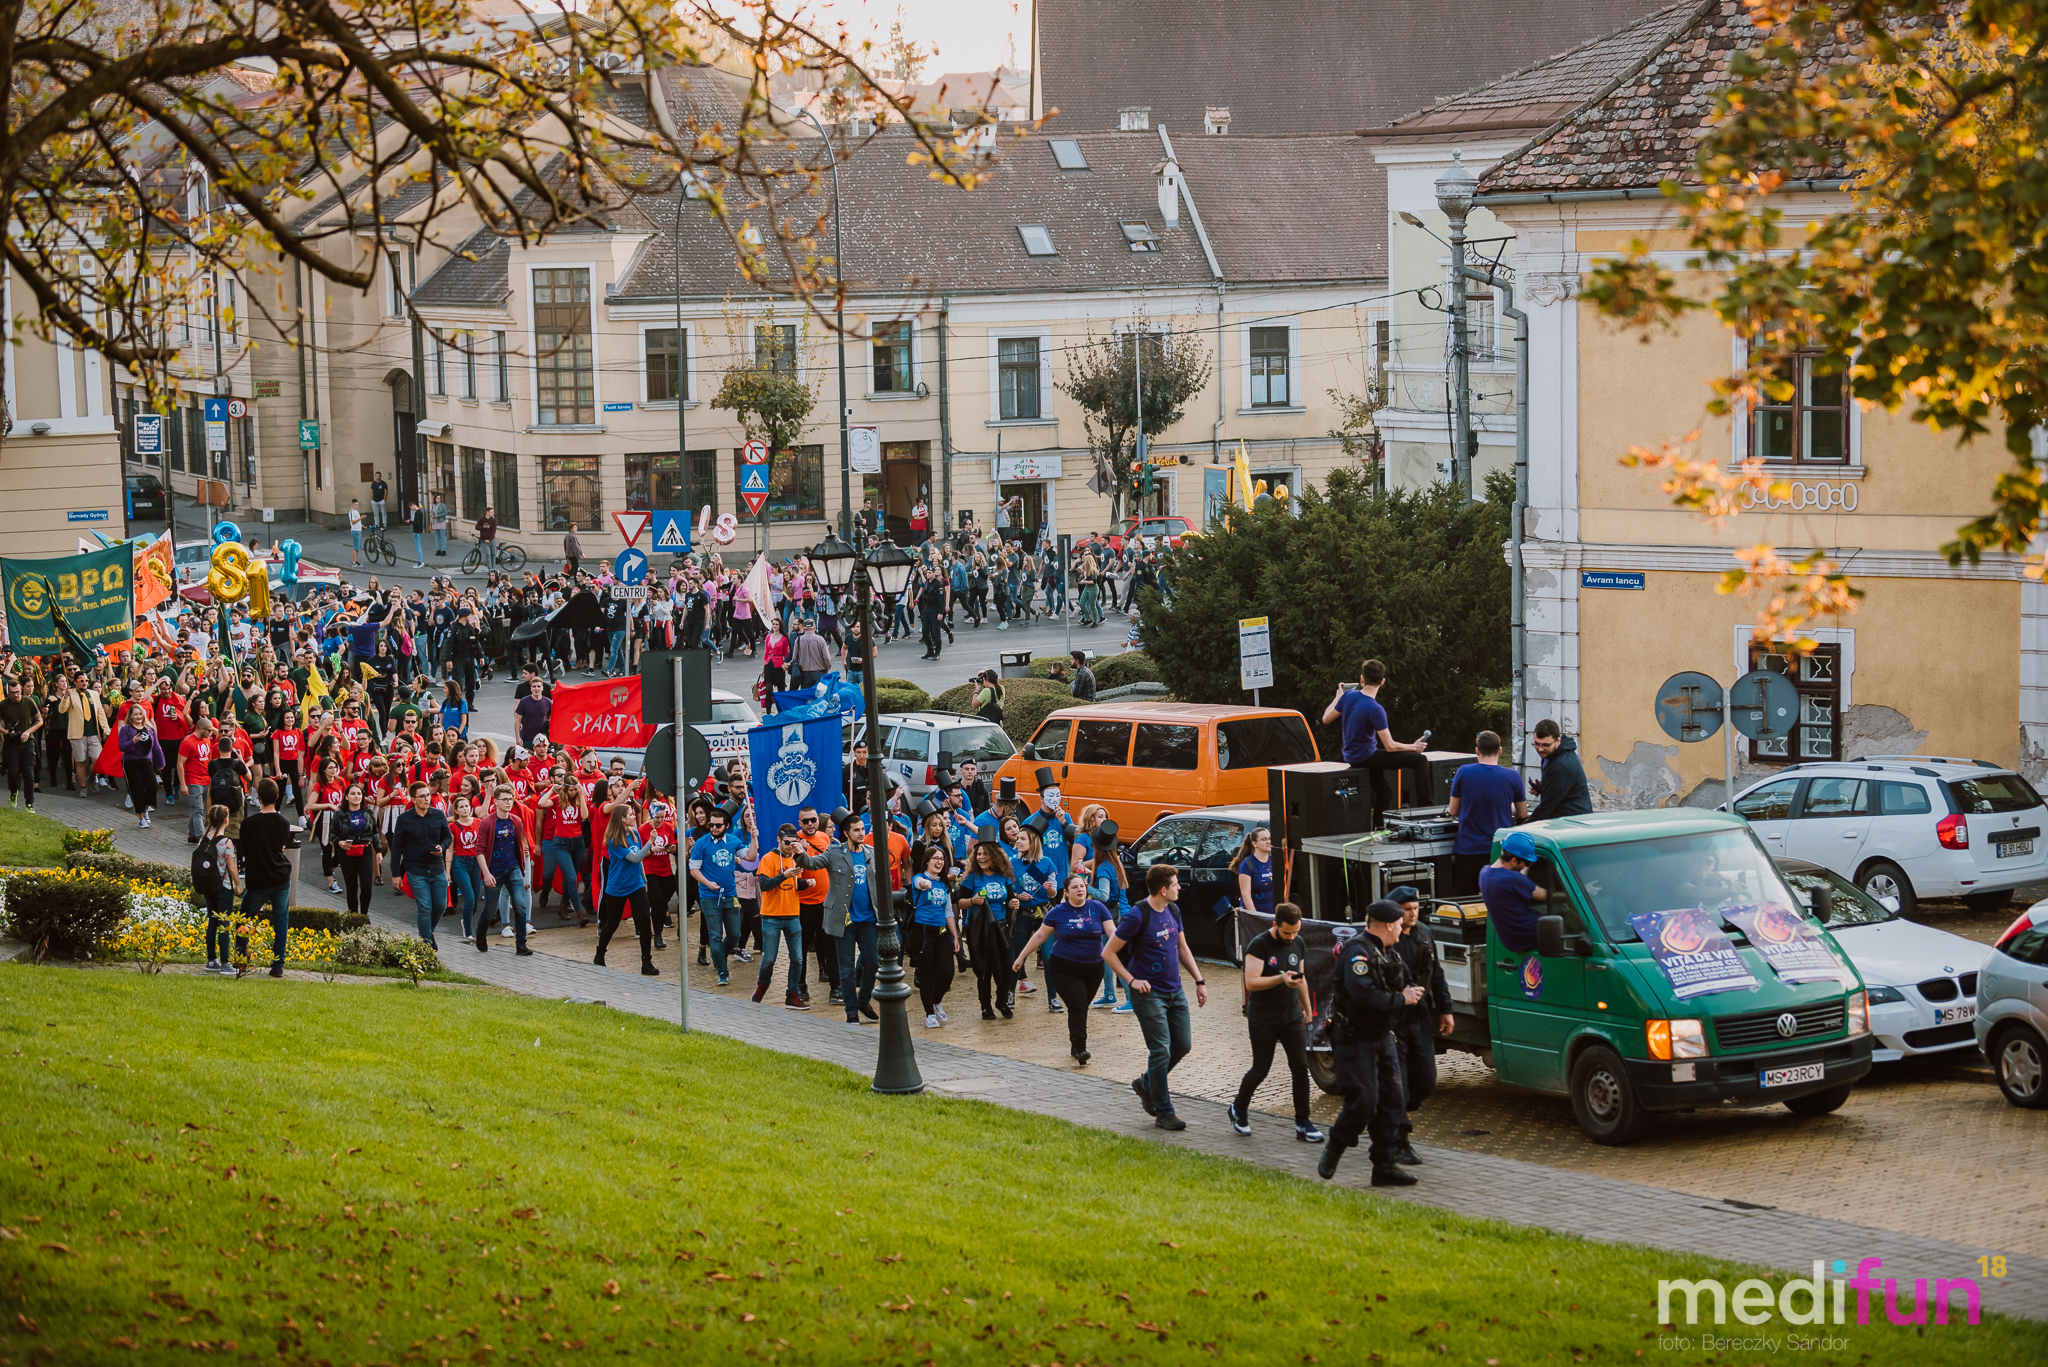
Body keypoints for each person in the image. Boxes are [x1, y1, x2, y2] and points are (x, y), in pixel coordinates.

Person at [1318, 898, 1423, 1185]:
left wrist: (1411, 992)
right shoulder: (1358, 953)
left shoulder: (1389, 952)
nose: (1402, 929)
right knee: (1364, 1101)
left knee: (1393, 1103)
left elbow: (1404, 981)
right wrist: (1402, 998)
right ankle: (1336, 1145)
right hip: (1355, 1041)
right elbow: (1364, 995)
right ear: (1388, 925)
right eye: (1399, 924)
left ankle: (1384, 1166)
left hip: (1383, 1038)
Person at [1103, 864, 1208, 1131]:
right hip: (1149, 994)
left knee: (1182, 1045)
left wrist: (1199, 981)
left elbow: (1182, 947)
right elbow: (1108, 953)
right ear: (1163, 889)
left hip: (1175, 991)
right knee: (1161, 1049)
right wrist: (1132, 980)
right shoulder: (1137, 916)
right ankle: (1164, 1111)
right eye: (1175, 884)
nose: (1179, 887)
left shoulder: (1173, 910)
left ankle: (1146, 1083)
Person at [1227, 902, 1325, 1144]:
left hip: (1291, 1016)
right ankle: (1239, 1107)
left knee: (1300, 1068)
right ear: (1275, 925)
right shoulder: (1259, 945)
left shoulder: (1298, 943)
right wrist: (1281, 979)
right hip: (1263, 1018)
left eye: (1296, 932)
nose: (1291, 937)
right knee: (1261, 1068)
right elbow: (1251, 982)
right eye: (1287, 932)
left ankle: (1303, 1122)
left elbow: (1300, 979)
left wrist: (1308, 1009)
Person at [1014, 874, 1117, 1065]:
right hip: (1064, 967)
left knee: (1081, 1007)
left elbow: (1112, 932)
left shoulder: (1098, 908)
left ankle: (1075, 1045)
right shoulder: (1058, 912)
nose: (1080, 890)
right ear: (1067, 892)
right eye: (1074, 887)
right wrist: (1021, 956)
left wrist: (1123, 951)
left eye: (1082, 886)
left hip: (1093, 968)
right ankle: (1080, 1049)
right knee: (1078, 1005)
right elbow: (1039, 936)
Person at [1387, 885, 1455, 1165]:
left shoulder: (1424, 933)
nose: (1413, 914)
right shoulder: (1387, 939)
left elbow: (1436, 973)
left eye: (1416, 908)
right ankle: (1399, 1141)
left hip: (1421, 1019)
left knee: (1426, 1082)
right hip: (1394, 1022)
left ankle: (1396, 1111)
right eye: (1407, 910)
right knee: (1398, 1087)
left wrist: (1446, 1010)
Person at [1321, 659, 1430, 826]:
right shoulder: (1375, 709)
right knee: (1420, 760)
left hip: (1353, 756)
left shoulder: (1348, 696)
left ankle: (1378, 828)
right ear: (1382, 682)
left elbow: (1325, 719)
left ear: (1362, 679)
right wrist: (1414, 747)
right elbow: (1390, 746)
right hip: (1367, 757)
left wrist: (1338, 698)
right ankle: (1427, 810)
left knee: (1385, 794)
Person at [1446, 730, 1527, 894]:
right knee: (1497, 896)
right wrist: (1505, 806)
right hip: (1498, 850)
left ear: (1477, 751)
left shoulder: (1463, 771)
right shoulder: (1512, 776)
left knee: (1467, 899)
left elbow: (1453, 810)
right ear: (1500, 751)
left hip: (1468, 850)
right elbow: (1522, 813)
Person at [689, 803, 756, 986]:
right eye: (711, 825)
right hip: (709, 897)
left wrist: (753, 838)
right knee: (715, 935)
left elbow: (750, 857)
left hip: (730, 895)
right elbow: (694, 870)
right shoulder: (702, 843)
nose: (714, 828)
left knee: (734, 934)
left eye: (718, 825)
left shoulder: (733, 841)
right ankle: (722, 971)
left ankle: (720, 956)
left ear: (726, 825)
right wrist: (708, 883)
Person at [238, 779, 298, 979]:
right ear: (278, 797)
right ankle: (278, 965)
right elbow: (281, 846)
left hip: (258, 878)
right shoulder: (284, 823)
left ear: (259, 797)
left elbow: (244, 850)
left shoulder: (249, 823)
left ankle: (241, 959)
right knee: (281, 921)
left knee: (243, 918)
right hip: (281, 876)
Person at [594, 801, 662, 975]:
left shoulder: (634, 833)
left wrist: (644, 880)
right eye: (631, 814)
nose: (634, 816)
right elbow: (636, 857)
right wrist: (650, 842)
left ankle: (646, 962)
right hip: (617, 887)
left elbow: (639, 864)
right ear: (622, 818)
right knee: (612, 924)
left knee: (645, 921)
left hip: (635, 884)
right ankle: (600, 953)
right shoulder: (614, 841)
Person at [752, 822, 814, 1008]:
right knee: (769, 959)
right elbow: (764, 885)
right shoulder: (768, 858)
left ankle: (792, 995)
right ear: (778, 839)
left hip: (793, 914)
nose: (790, 846)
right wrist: (784, 875)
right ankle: (762, 987)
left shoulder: (796, 858)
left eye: (794, 843)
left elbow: (794, 885)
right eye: (787, 842)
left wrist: (806, 883)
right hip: (771, 916)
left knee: (797, 959)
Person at [959, 833, 1020, 1019]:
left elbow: (1009, 900)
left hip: (1000, 926)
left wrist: (1013, 903)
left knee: (1007, 966)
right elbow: (960, 902)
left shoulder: (1004, 876)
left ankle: (1002, 1001)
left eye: (985, 854)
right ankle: (985, 1006)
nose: (982, 857)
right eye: (979, 854)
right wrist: (972, 900)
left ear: (995, 855)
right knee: (985, 968)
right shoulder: (972, 877)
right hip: (979, 927)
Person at [393, 780, 453, 947]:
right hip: (415, 869)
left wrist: (442, 847)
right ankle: (425, 943)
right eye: (422, 796)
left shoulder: (438, 815)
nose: (427, 799)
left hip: (437, 867)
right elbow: (396, 848)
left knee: (440, 905)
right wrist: (395, 874)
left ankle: (428, 932)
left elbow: (447, 838)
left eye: (428, 795)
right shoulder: (404, 819)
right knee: (425, 907)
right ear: (413, 799)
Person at [907, 844, 960, 1028]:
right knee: (926, 974)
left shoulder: (944, 883)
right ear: (927, 861)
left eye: (942, 859)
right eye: (936, 858)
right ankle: (929, 1013)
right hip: (923, 931)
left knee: (947, 971)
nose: (939, 862)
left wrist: (955, 936)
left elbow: (948, 912)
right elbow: (918, 883)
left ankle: (937, 1002)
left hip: (941, 932)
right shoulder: (919, 877)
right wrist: (925, 884)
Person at [478, 785, 535, 955]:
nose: (509, 802)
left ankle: (521, 944)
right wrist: (486, 873)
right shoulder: (487, 823)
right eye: (505, 799)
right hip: (494, 871)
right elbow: (479, 851)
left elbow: (519, 845)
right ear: (495, 801)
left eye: (511, 799)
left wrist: (522, 870)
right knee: (490, 909)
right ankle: (481, 933)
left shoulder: (516, 820)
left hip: (513, 868)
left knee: (520, 905)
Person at [1478, 829, 1547, 952]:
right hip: (1529, 934)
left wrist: (1526, 863)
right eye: (1526, 863)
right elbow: (1545, 895)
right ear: (1514, 860)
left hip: (1511, 939)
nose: (1526, 866)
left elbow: (1519, 880)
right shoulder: (1512, 879)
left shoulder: (1485, 873)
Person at [194, 803, 243, 974]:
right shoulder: (226, 843)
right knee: (224, 924)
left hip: (208, 886)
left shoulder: (203, 839)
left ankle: (211, 960)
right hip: (223, 887)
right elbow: (232, 868)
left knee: (212, 922)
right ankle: (225, 963)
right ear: (226, 820)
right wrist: (238, 885)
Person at [332, 781, 381, 915]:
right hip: (347, 852)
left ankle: (364, 916)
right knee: (351, 887)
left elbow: (375, 832)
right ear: (346, 797)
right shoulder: (339, 814)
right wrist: (339, 842)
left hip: (365, 851)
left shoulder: (368, 813)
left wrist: (378, 851)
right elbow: (332, 834)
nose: (356, 796)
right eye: (353, 794)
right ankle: (353, 916)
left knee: (366, 886)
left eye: (359, 794)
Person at [1528, 719, 1592, 820]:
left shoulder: (1560, 766)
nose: (1540, 749)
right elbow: (1560, 786)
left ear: (1558, 741)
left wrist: (1523, 827)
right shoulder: (1551, 754)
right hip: (1568, 818)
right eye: (1536, 744)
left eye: (1545, 745)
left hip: (1572, 822)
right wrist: (1543, 787)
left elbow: (1546, 808)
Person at [116, 702, 164, 829]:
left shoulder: (150, 729)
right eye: (136, 714)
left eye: (140, 714)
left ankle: (145, 809)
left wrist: (160, 761)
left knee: (152, 787)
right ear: (131, 716)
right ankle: (141, 817)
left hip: (146, 761)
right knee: (136, 790)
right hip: (131, 762)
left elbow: (156, 746)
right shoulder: (126, 729)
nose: (138, 716)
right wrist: (133, 741)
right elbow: (121, 747)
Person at [1, 676, 44, 810]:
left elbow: (40, 720)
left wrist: (28, 732)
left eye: (18, 692)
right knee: (13, 773)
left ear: (21, 690)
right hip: (12, 742)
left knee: (28, 773)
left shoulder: (29, 702)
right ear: (8, 692)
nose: (16, 695)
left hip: (27, 741)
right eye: (13, 693)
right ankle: (13, 792)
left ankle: (29, 804)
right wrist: (5, 731)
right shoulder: (3, 704)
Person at [1231, 825, 1277, 917]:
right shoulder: (1247, 865)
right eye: (1264, 839)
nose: (1268, 842)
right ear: (1254, 843)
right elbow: (1245, 895)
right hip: (1255, 915)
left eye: (1269, 839)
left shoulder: (1274, 861)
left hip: (1273, 915)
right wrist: (1256, 917)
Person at [410, 501, 428, 568]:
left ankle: (421, 562)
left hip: (417, 531)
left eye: (410, 507)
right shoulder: (420, 512)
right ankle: (420, 561)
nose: (411, 509)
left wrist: (410, 522)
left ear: (413, 505)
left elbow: (417, 523)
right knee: (418, 547)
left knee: (418, 547)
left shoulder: (417, 512)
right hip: (419, 531)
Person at [348, 499, 365, 566]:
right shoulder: (352, 512)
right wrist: (360, 518)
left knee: (357, 547)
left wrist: (361, 525)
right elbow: (352, 522)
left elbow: (357, 522)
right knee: (356, 547)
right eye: (355, 504)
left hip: (358, 530)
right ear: (352, 505)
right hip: (355, 531)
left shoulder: (356, 511)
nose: (357, 506)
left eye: (357, 504)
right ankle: (354, 562)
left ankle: (355, 560)